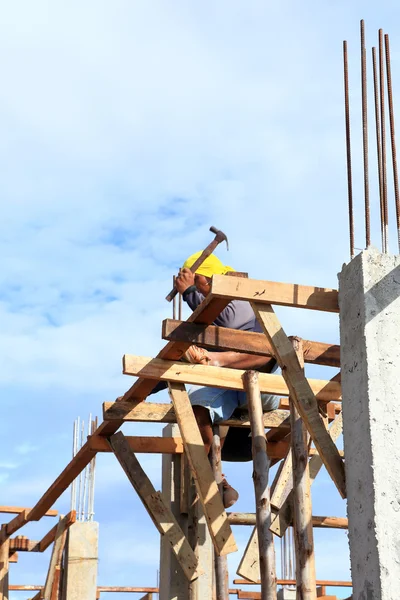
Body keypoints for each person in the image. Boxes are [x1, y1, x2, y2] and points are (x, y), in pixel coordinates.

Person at [174, 251, 280, 507]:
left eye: (195, 282)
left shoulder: (238, 294)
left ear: (205, 279)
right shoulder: (203, 314)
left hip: (259, 383)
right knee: (196, 409)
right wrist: (142, 392)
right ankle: (216, 479)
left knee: (266, 348)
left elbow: (230, 319)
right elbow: (173, 358)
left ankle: (220, 359)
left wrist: (189, 293)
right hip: (230, 389)